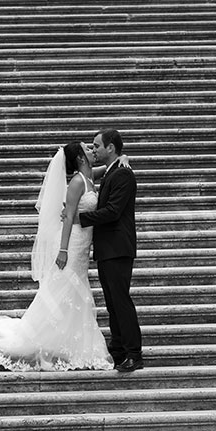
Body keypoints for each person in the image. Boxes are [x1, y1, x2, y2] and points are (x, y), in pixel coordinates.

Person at [0, 142, 124, 372]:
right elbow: (67, 218)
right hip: (73, 242)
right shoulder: (77, 182)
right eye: (88, 148)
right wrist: (63, 250)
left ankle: (67, 340)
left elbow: (109, 167)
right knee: (65, 287)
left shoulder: (88, 176)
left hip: (84, 244)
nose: (93, 150)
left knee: (74, 288)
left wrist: (123, 160)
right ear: (80, 158)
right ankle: (45, 336)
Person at [79, 129, 143, 372]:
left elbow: (113, 212)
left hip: (118, 248)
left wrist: (80, 218)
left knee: (120, 301)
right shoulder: (112, 170)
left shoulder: (123, 175)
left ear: (111, 148)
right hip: (108, 249)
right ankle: (118, 350)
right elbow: (79, 170)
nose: (94, 150)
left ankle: (133, 354)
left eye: (97, 146)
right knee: (112, 304)